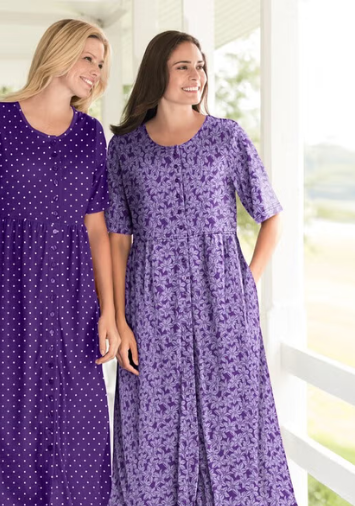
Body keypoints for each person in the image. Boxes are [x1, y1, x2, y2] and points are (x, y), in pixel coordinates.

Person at [105, 31, 295, 505]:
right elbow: (117, 239)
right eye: (183, 67)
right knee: (151, 431)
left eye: (200, 66)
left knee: (232, 429)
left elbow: (271, 215)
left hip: (223, 305)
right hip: (152, 305)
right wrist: (121, 321)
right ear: (158, 74)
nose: (197, 77)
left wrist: (244, 284)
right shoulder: (126, 150)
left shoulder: (227, 138)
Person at [0, 19, 119, 505]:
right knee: (2, 428)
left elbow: (97, 231)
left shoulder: (90, 135)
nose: (96, 71)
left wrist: (108, 311)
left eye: (101, 63)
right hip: (5, 295)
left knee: (76, 434)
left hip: (73, 303)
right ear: (59, 53)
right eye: (88, 58)